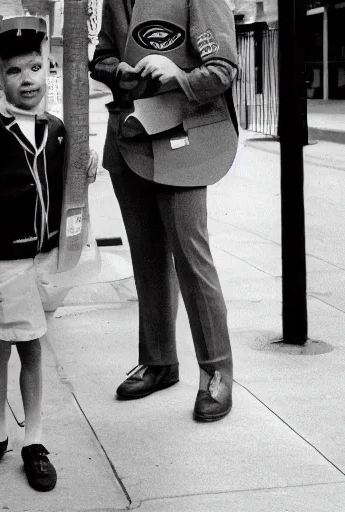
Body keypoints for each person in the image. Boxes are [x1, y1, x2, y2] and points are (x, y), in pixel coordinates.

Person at [0, 16, 97, 491]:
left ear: (47, 68)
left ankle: (34, 440)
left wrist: (86, 165)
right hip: (0, 265)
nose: (28, 78)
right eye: (14, 71)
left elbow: (67, 189)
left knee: (33, 350)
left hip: (44, 261)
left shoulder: (57, 131)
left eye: (36, 67)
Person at [89, 0, 239, 422]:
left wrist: (180, 77)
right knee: (147, 258)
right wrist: (117, 70)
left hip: (184, 139)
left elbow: (224, 68)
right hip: (130, 136)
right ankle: (158, 362)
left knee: (192, 259)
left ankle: (217, 373)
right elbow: (100, 57)